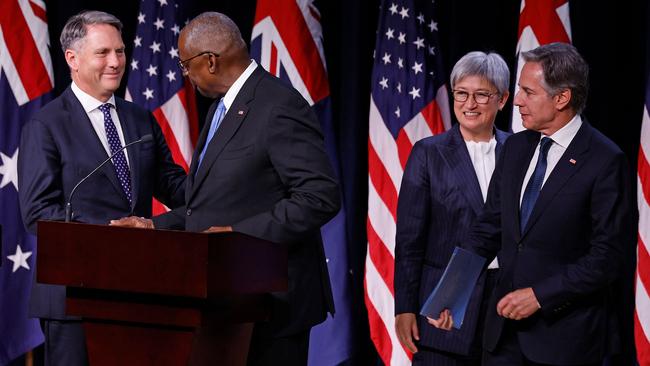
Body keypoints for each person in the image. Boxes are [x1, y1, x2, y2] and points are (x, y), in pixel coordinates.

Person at [110, 12, 340, 366]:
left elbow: (320, 196)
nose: (185, 76)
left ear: (211, 61)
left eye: (186, 66)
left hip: (272, 305)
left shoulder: (278, 105)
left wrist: (238, 235)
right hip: (228, 302)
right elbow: (210, 203)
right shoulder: (223, 107)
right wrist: (154, 225)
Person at [429, 42, 634, 366]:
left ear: (562, 97)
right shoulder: (516, 148)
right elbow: (489, 227)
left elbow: (608, 257)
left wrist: (540, 296)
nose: (518, 101)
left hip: (566, 340)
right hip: (502, 338)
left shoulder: (605, 160)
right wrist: (452, 292)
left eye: (528, 91)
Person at [18, 10, 187, 366]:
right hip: (73, 297)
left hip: (140, 292)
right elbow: (37, 214)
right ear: (72, 59)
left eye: (121, 51)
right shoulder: (46, 125)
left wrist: (225, 186)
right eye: (103, 53)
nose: (116, 62)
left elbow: (172, 184)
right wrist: (112, 234)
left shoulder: (140, 118)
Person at [394, 51, 510, 365]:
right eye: (462, 93)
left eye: (481, 95)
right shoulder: (429, 154)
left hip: (507, 313)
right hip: (443, 313)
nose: (469, 104)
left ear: (502, 99)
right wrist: (405, 307)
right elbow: (409, 240)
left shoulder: (520, 152)